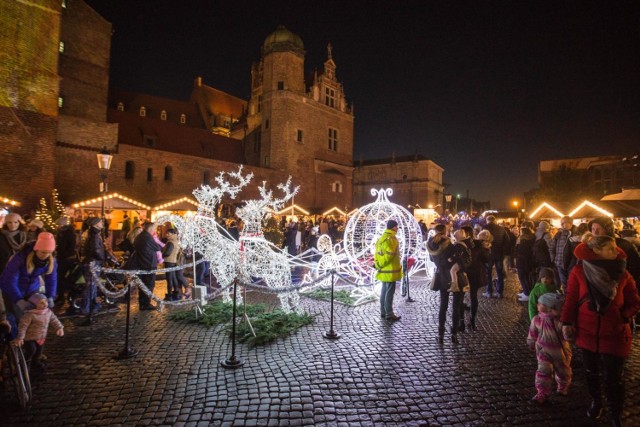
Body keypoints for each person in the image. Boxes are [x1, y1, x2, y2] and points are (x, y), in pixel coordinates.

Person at [560, 232, 640, 425]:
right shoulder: (579, 272)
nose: (616, 251)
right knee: (591, 372)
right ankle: (596, 402)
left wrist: (623, 315)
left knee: (615, 378)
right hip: (587, 331)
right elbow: (571, 299)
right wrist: (566, 322)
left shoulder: (622, 273)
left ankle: (615, 411)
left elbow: (634, 301)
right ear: (596, 251)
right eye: (610, 248)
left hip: (615, 333)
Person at [0, 232, 57, 323]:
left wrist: (50, 296)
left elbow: (52, 278)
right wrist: (18, 300)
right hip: (13, 290)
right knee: (17, 318)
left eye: (49, 252)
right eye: (43, 252)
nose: (46, 255)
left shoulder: (51, 259)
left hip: (32, 290)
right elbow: (9, 280)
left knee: (32, 318)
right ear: (36, 249)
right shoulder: (20, 257)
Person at [427, 224, 471, 343]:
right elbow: (460, 261)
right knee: (456, 306)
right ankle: (454, 334)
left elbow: (432, 260)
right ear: (446, 232)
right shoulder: (451, 245)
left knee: (443, 306)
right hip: (454, 279)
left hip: (441, 277)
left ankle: (440, 335)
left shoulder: (431, 245)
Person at [527, 292, 572, 404]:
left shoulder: (560, 321)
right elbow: (532, 332)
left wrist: (569, 332)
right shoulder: (537, 319)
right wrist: (532, 342)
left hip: (560, 351)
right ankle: (542, 392)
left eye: (539, 304)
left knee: (563, 371)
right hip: (543, 351)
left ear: (548, 307)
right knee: (543, 371)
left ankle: (563, 386)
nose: (537, 306)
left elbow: (567, 335)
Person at [12, 293, 64, 376]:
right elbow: (23, 326)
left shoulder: (48, 312)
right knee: (31, 350)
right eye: (41, 302)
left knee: (39, 352)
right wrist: (20, 338)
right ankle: (25, 364)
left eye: (45, 301)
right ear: (34, 304)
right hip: (29, 338)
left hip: (41, 337)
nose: (45, 304)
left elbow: (54, 320)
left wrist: (59, 328)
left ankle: (35, 364)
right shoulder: (29, 314)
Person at [126, 222, 161, 310]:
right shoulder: (148, 237)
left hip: (142, 263)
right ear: (150, 229)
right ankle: (146, 304)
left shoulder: (139, 236)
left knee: (143, 285)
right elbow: (157, 248)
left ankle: (142, 303)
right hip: (148, 264)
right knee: (149, 285)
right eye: (153, 229)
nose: (154, 230)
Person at [374, 219, 403, 322]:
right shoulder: (392, 238)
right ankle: (389, 314)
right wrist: (381, 264)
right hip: (390, 271)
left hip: (383, 270)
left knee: (384, 291)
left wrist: (378, 264)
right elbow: (389, 255)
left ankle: (383, 312)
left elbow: (377, 253)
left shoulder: (382, 238)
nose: (398, 228)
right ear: (393, 227)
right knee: (389, 293)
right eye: (396, 226)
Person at [79, 217, 106, 315]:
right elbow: (96, 250)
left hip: (90, 262)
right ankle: (85, 308)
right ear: (95, 224)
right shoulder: (94, 235)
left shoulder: (92, 233)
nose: (102, 223)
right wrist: (101, 258)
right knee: (90, 286)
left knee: (92, 286)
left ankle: (93, 305)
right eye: (100, 222)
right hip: (93, 263)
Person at [483, 215, 510, 298]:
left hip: (488, 254)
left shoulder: (484, 228)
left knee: (488, 273)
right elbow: (507, 241)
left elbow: (480, 240)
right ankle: (499, 292)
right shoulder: (501, 229)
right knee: (499, 273)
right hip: (499, 254)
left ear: (487, 220)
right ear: (494, 220)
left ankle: (489, 291)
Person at [55, 216, 77, 306]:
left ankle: (65, 297)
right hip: (62, 257)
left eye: (59, 225)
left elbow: (71, 247)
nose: (57, 226)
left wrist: (61, 254)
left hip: (67, 258)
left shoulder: (68, 233)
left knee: (62, 278)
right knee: (60, 278)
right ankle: (61, 296)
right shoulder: (61, 233)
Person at [550, 216, 575, 292]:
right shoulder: (558, 234)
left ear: (570, 224)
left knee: (572, 284)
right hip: (559, 263)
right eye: (561, 223)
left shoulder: (574, 234)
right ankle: (566, 299)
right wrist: (553, 258)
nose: (561, 225)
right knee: (564, 285)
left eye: (563, 223)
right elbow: (552, 247)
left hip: (571, 265)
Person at [515, 221, 536, 302]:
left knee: (522, 277)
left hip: (522, 261)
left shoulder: (523, 241)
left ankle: (527, 293)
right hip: (528, 261)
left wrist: (517, 245)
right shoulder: (531, 240)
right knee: (526, 277)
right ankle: (525, 291)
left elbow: (518, 251)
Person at [162, 228, 182, 301]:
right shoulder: (176, 241)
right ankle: (176, 291)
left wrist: (162, 254)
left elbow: (167, 253)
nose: (166, 235)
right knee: (173, 277)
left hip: (169, 261)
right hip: (173, 261)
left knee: (169, 279)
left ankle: (169, 295)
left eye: (168, 233)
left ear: (173, 234)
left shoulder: (170, 242)